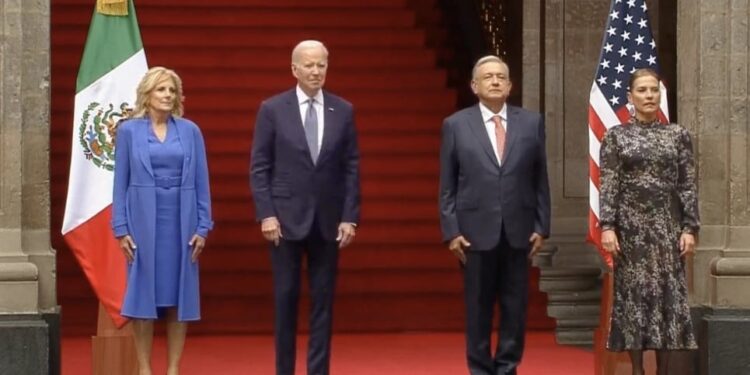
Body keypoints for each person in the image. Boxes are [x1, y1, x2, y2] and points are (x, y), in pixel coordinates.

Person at [249, 40, 360, 375]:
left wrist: (349, 217)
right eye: (309, 65)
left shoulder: (343, 110)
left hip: (328, 221)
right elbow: (259, 166)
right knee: (285, 300)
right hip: (284, 220)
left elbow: (351, 166)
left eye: (321, 65)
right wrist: (266, 213)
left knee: (323, 304)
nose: (316, 71)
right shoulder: (272, 109)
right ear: (294, 69)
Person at [439, 55, 551, 375]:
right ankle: (479, 369)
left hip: (519, 231)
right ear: (474, 86)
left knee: (515, 308)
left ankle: (507, 367)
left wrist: (542, 225)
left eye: (501, 76)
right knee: (478, 309)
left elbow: (539, 178)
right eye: (487, 77)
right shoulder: (456, 125)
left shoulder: (532, 123)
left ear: (511, 85)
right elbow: (447, 184)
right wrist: (451, 230)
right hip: (474, 232)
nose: (495, 81)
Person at [112, 66, 213, 375]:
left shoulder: (190, 130)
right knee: (143, 294)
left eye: (171, 90)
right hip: (142, 219)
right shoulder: (129, 131)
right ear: (147, 94)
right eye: (161, 89)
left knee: (178, 297)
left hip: (181, 220)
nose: (168, 95)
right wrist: (120, 228)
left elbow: (201, 181)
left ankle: (173, 369)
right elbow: (120, 183)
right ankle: (144, 368)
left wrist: (203, 226)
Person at [599, 68, 698, 375]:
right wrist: (607, 226)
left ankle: (664, 371)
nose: (649, 96)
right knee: (634, 301)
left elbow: (687, 184)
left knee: (668, 299)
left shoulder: (678, 135)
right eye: (642, 90)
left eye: (654, 90)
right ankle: (638, 370)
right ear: (630, 97)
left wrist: (689, 228)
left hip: (667, 230)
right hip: (630, 232)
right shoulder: (616, 136)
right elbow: (609, 183)